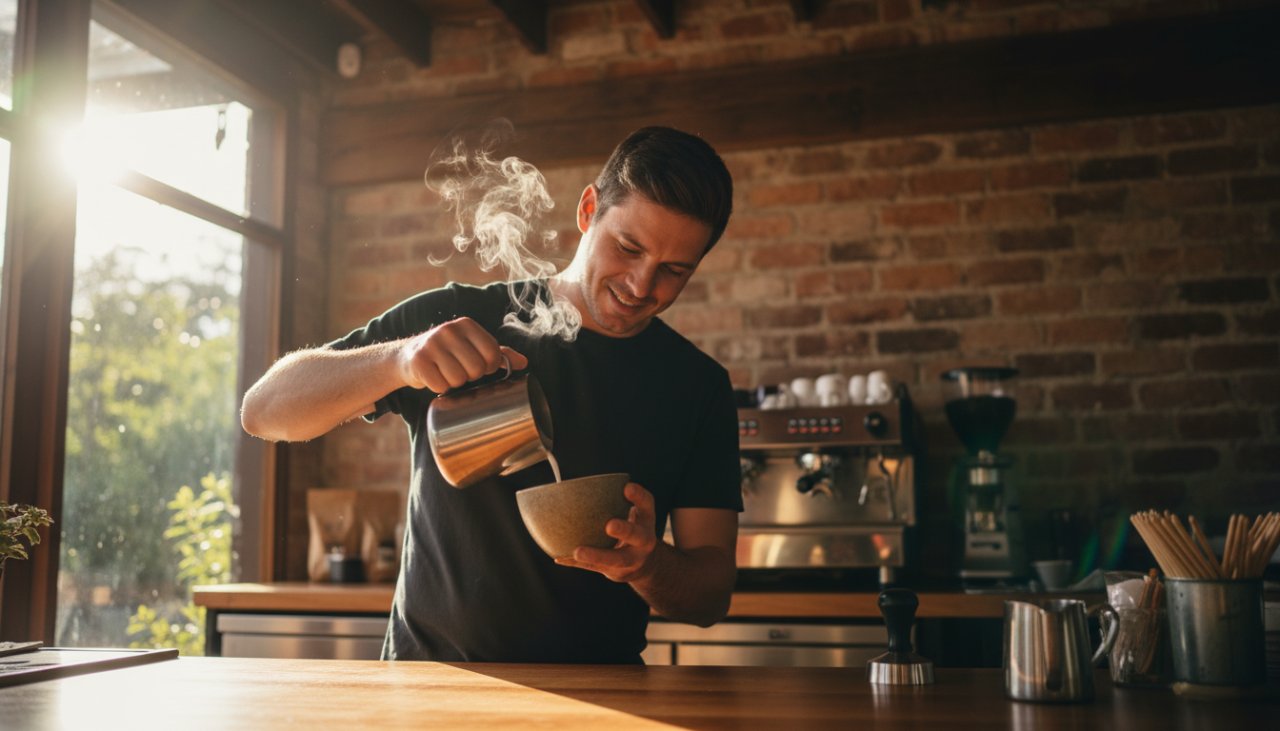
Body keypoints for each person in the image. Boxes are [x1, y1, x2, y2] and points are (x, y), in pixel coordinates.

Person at [241, 126, 741, 664]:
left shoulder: (697, 386)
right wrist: (399, 360)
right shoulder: (454, 321)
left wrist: (648, 565)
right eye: (627, 248)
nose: (642, 286)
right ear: (589, 209)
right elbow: (264, 412)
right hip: (430, 690)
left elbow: (709, 597)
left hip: (602, 699)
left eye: (673, 270)